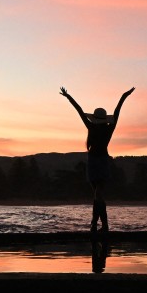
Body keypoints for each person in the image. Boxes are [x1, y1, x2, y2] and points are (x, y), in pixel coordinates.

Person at [60, 86, 134, 233]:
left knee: (97, 195)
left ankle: (95, 225)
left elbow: (80, 110)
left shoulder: (94, 127)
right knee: (98, 196)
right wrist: (124, 96)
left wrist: (69, 97)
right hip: (96, 162)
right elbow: (115, 110)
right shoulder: (107, 127)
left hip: (98, 162)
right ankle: (102, 226)